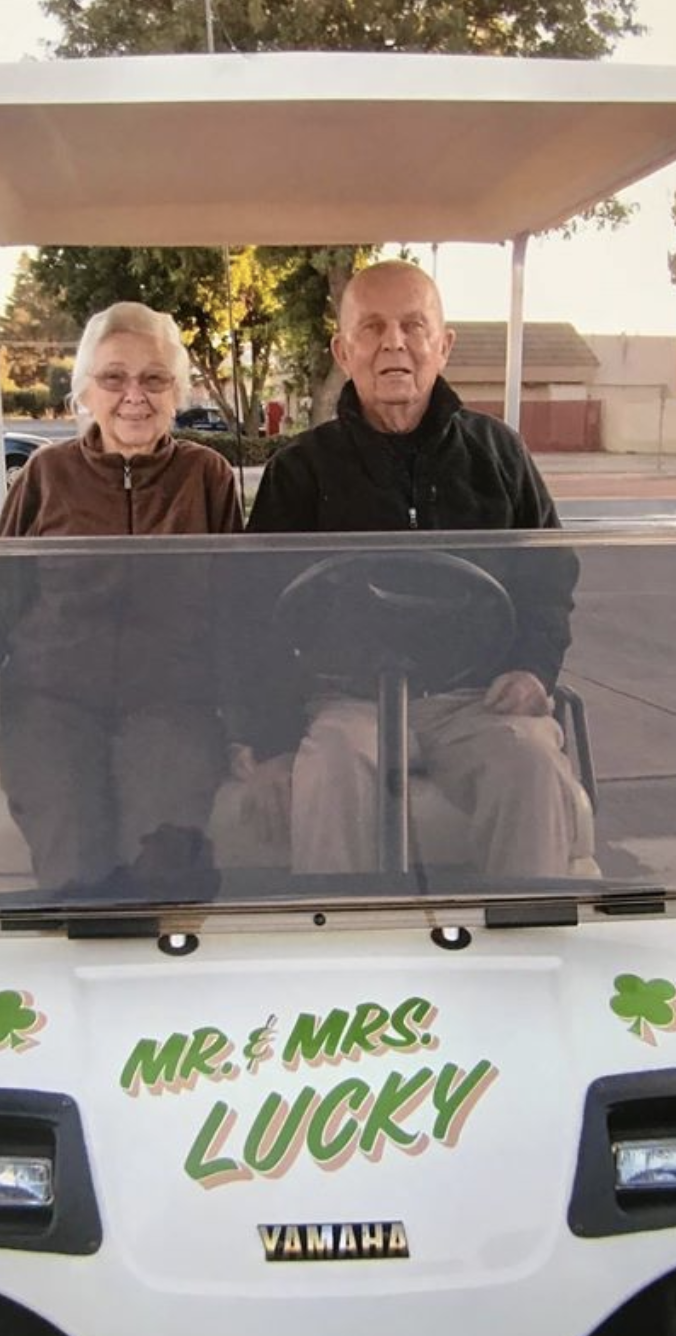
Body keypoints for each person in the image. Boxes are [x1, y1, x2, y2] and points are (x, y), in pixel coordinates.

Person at [231, 260, 585, 880]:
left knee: (529, 761)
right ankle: (342, 954)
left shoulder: (499, 455)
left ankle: (527, 948)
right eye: (372, 328)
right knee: (332, 768)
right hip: (346, 702)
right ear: (344, 351)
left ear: (442, 345)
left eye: (413, 325)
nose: (394, 342)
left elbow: (548, 579)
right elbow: (254, 614)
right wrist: (270, 743)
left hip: (475, 700)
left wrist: (535, 668)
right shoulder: (302, 470)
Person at [0, 300, 243, 893]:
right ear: (86, 390)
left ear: (177, 391)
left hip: (171, 705)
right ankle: (84, 966)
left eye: (154, 378)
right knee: (75, 851)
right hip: (51, 706)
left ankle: (161, 971)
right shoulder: (44, 475)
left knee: (164, 854)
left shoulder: (206, 477)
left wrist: (251, 729)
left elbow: (239, 612)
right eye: (113, 377)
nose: (134, 394)